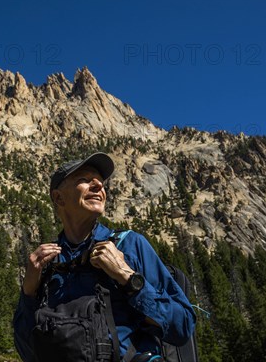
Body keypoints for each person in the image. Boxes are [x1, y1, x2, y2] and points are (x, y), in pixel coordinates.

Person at [13, 152, 196, 361]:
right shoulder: (46, 264)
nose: (98, 186)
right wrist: (28, 291)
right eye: (84, 180)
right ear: (58, 197)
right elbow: (27, 350)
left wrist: (127, 277)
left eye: (100, 182)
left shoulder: (129, 244)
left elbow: (182, 326)